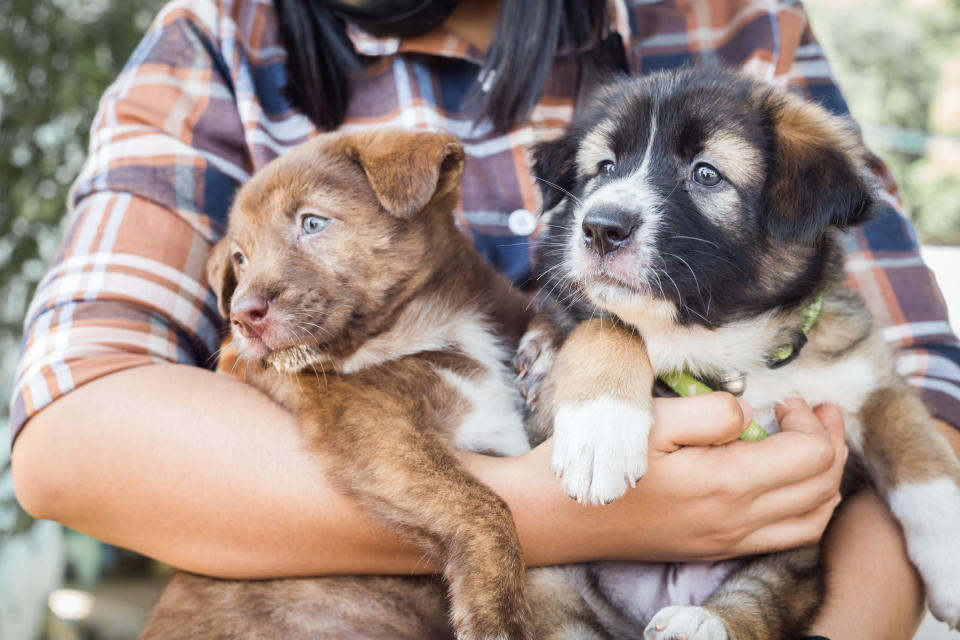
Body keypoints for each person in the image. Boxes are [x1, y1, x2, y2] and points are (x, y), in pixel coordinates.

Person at [10, 0, 960, 637]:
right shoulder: (225, 33)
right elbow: (71, 434)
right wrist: (547, 515)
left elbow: (917, 385)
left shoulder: (724, 19)